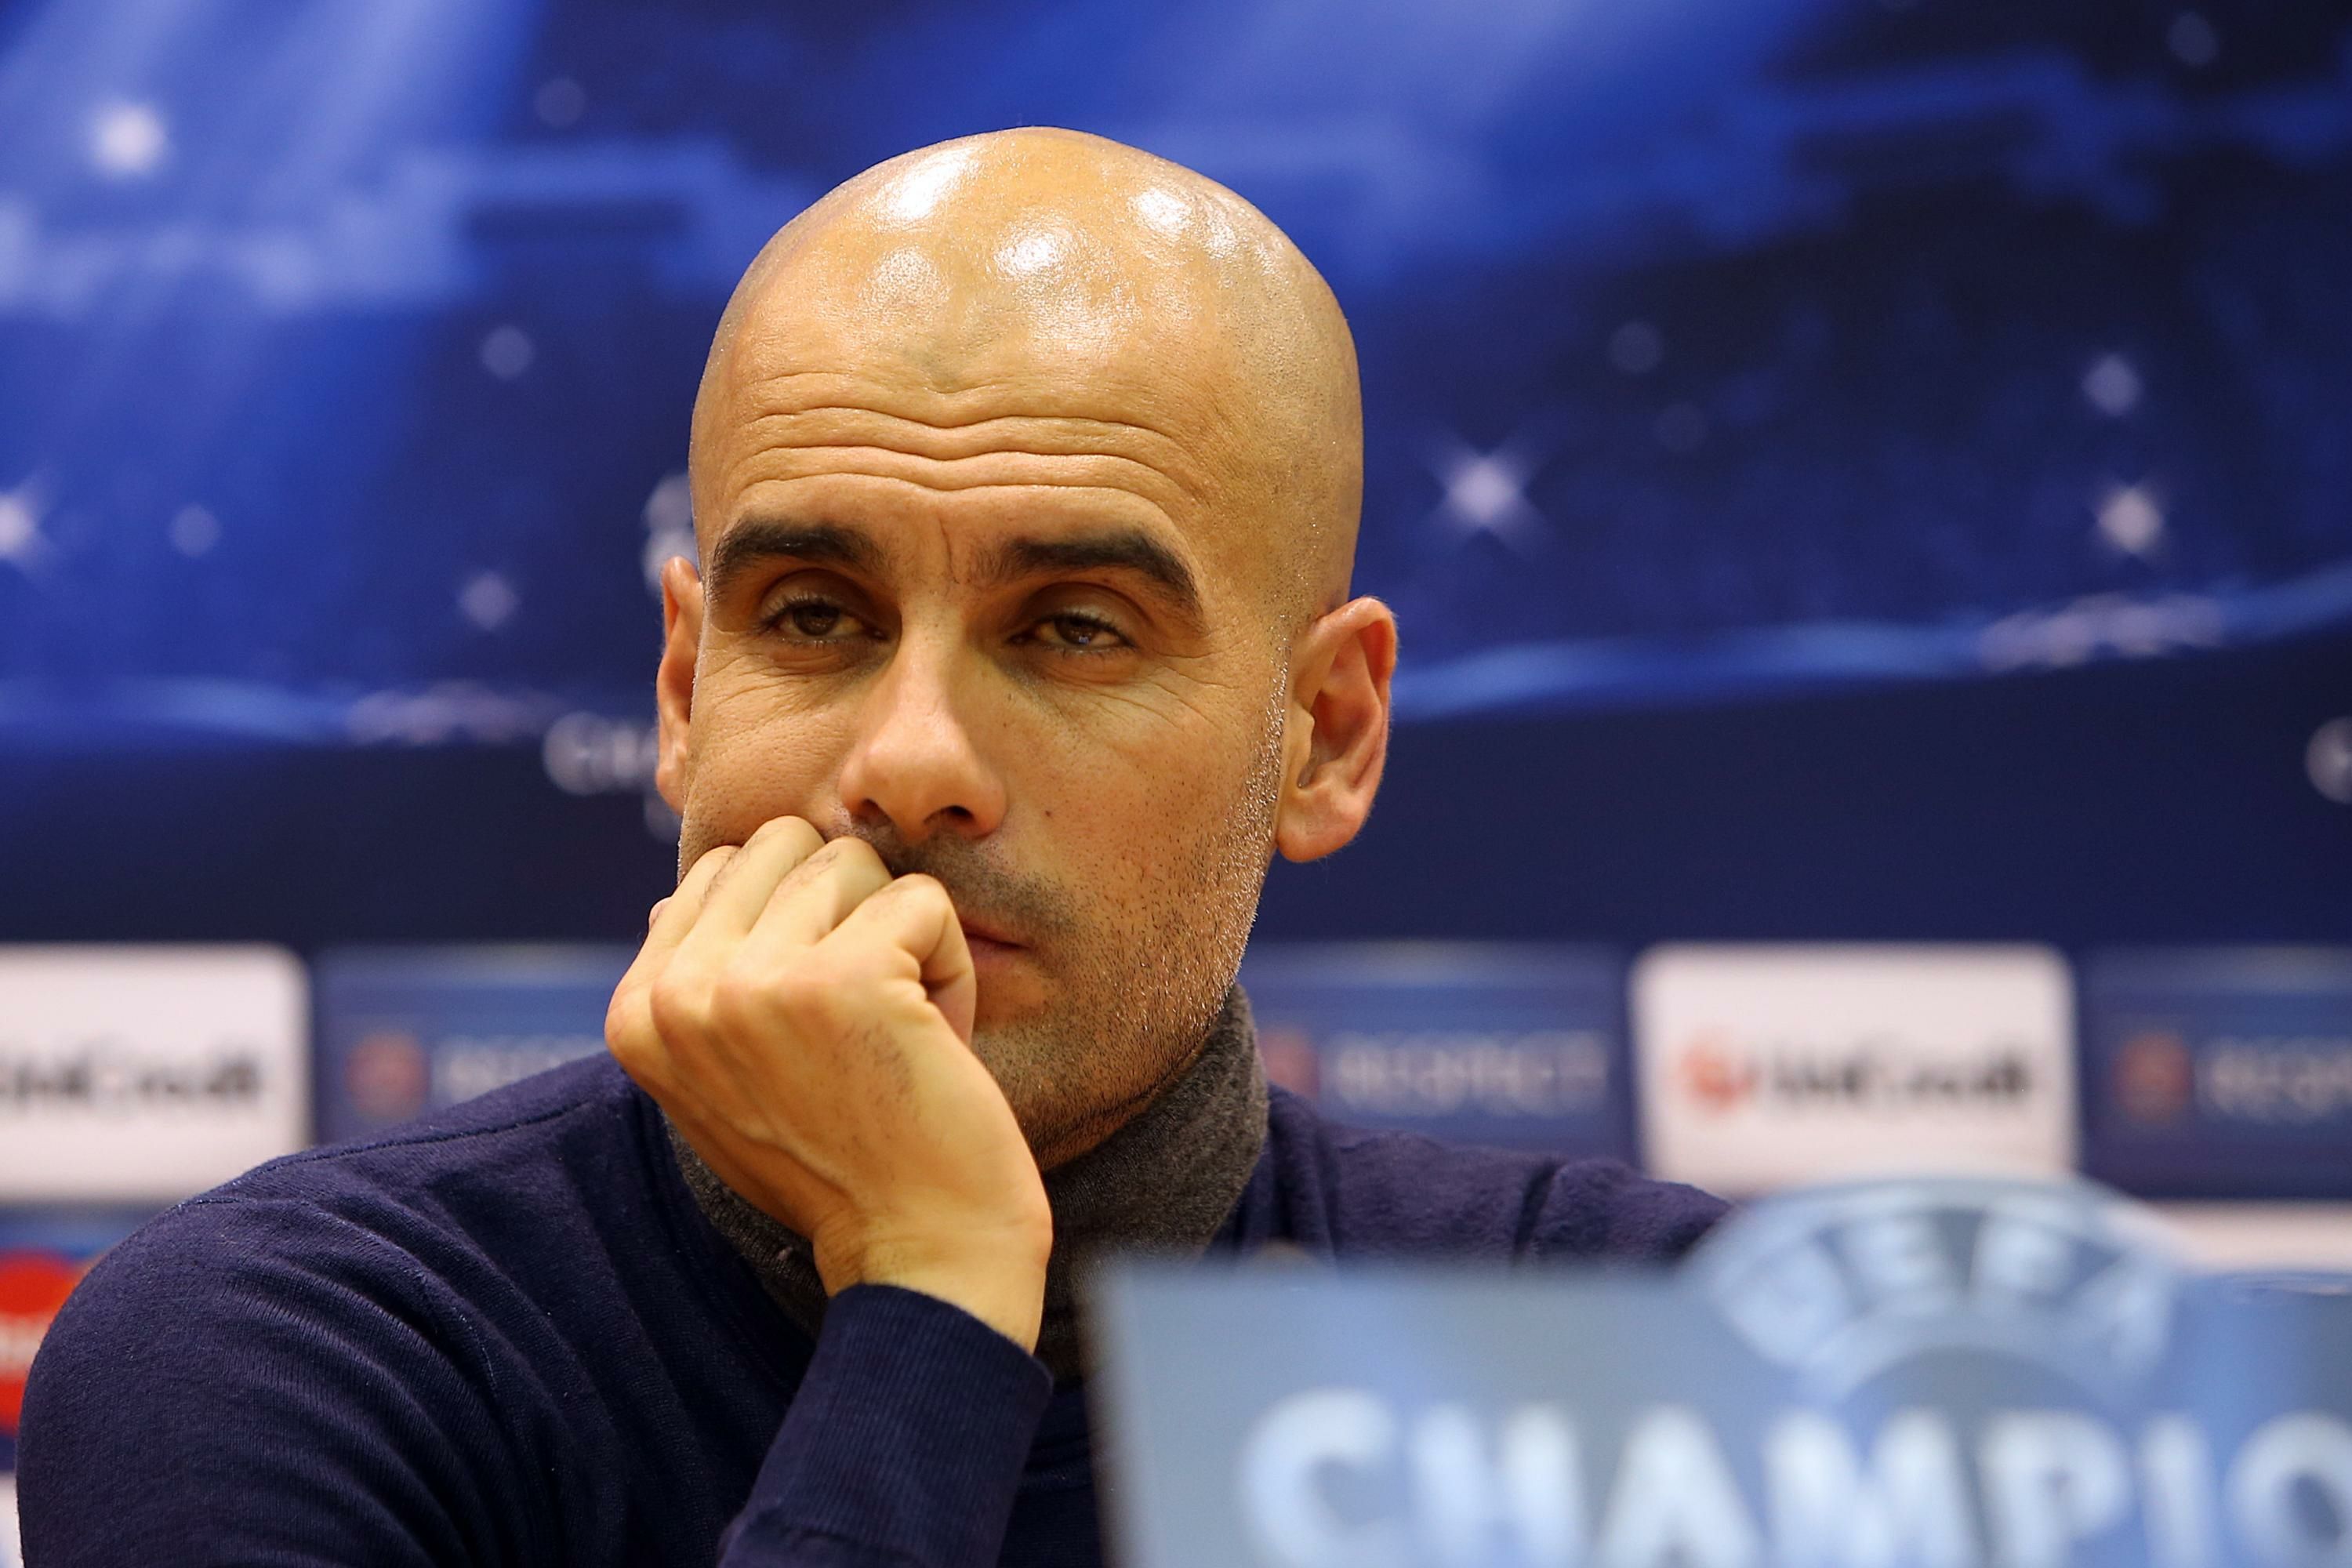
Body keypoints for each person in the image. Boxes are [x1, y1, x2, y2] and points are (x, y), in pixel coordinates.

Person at [17, 129, 1722, 1567]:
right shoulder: (276, 1352)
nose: (911, 766)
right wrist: (931, 1296)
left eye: (1075, 628)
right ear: (684, 691)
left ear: (1327, 734)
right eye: (816, 615)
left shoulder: (1659, 1351)